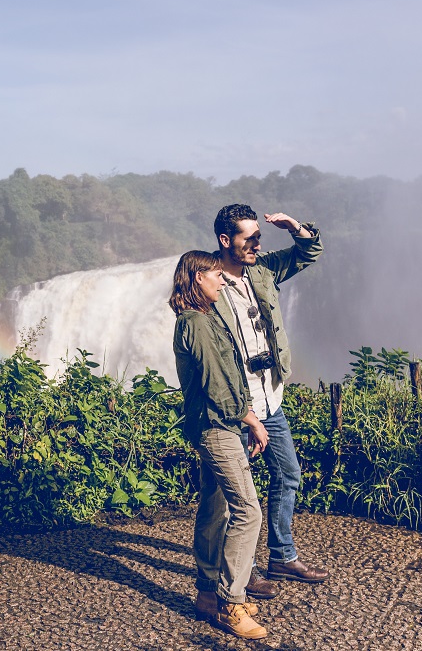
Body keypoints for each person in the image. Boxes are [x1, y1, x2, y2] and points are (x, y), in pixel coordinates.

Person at [211, 203, 329, 592]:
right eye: (250, 238)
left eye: (260, 237)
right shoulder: (207, 283)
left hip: (269, 400)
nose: (257, 245)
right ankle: (238, 573)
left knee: (288, 474)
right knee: (233, 499)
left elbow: (308, 252)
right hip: (236, 407)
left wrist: (296, 227)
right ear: (226, 240)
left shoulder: (261, 271)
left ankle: (282, 557)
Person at [170, 250, 270, 640]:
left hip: (217, 425)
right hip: (216, 428)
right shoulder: (195, 323)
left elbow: (228, 378)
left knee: (215, 508)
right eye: (215, 274)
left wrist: (241, 417)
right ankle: (232, 602)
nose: (223, 279)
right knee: (248, 511)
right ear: (197, 278)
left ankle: (208, 594)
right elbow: (217, 383)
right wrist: (252, 420)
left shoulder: (205, 318)